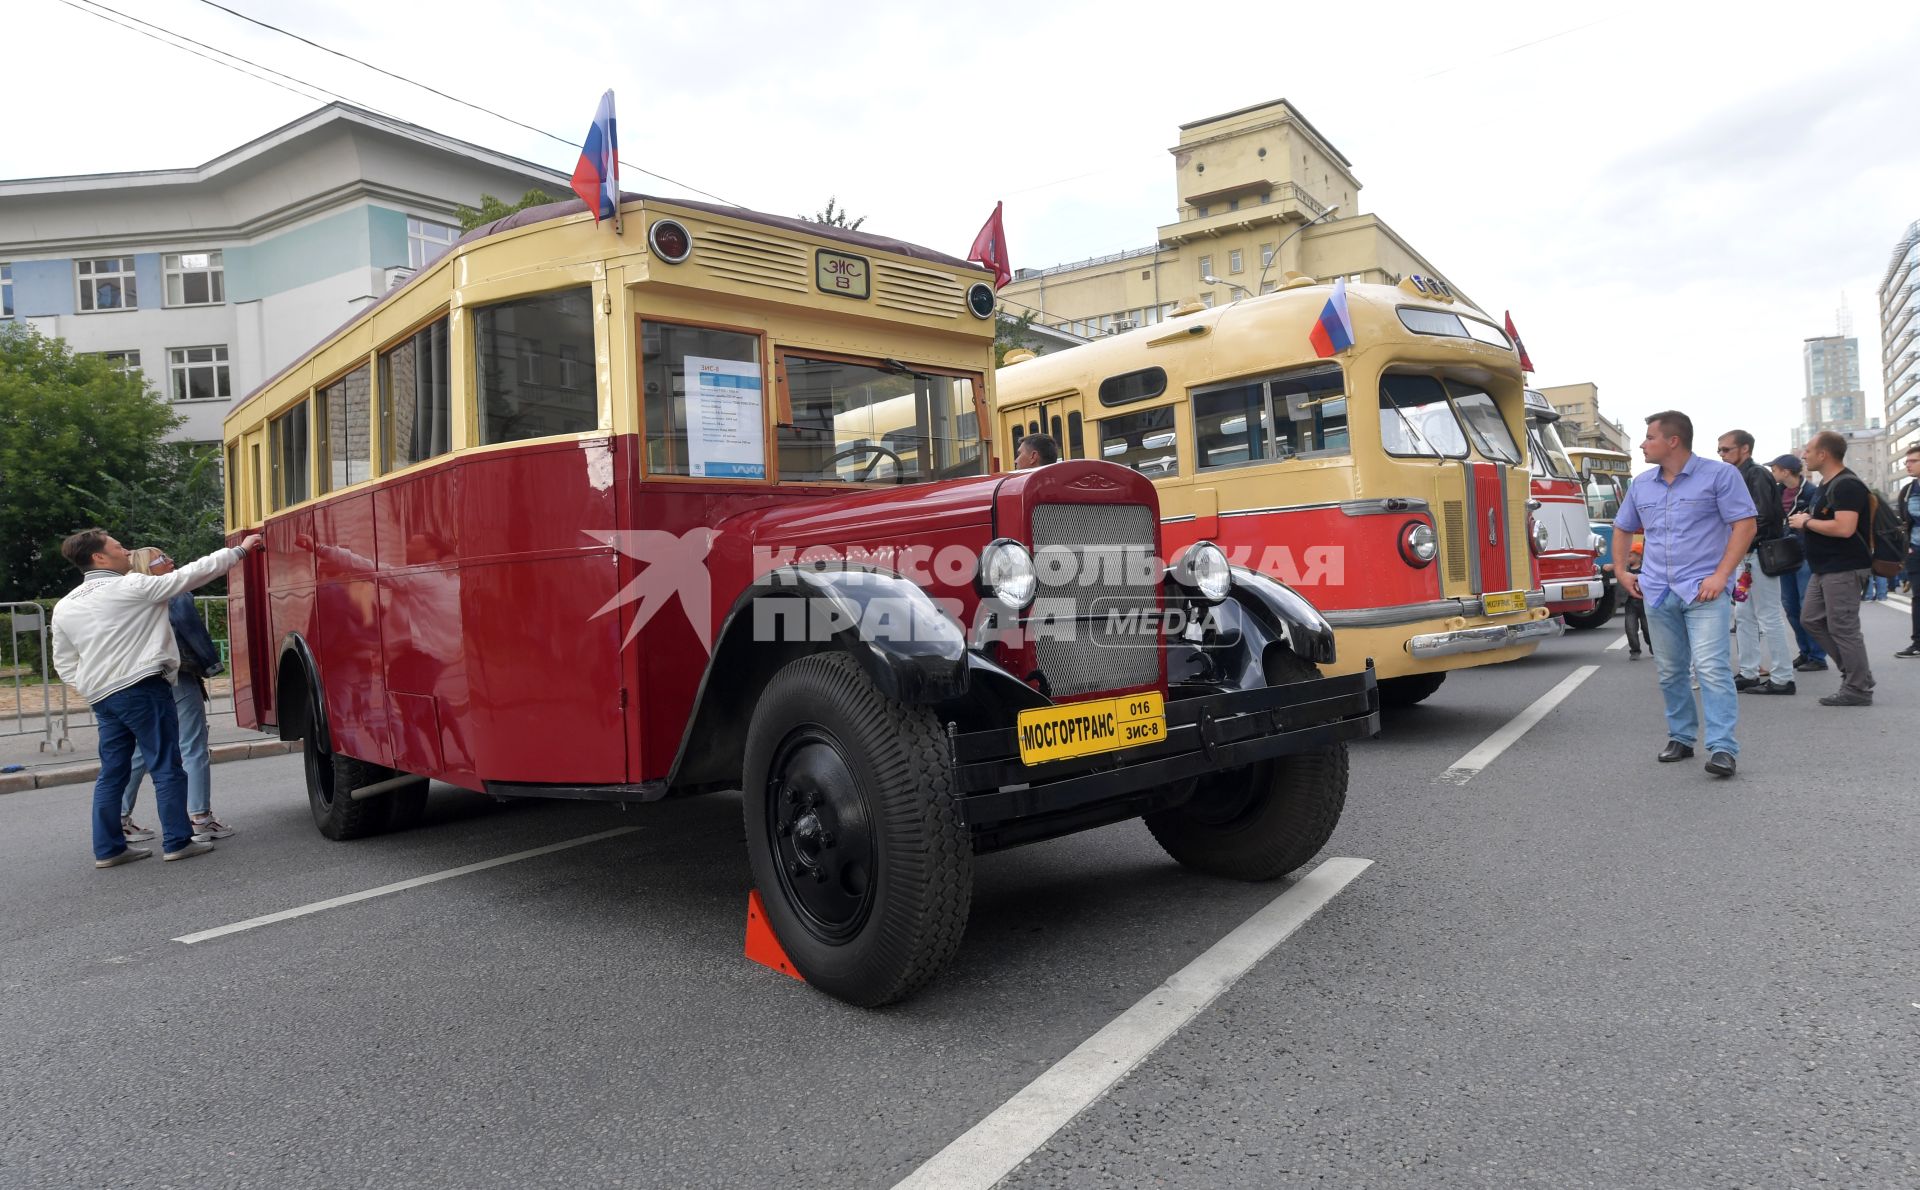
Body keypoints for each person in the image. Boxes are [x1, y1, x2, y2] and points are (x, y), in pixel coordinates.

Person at [50, 528, 262, 867]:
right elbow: (190, 575)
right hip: (142, 686)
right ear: (99, 557)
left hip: (103, 697)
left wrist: (89, 686)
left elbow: (63, 661)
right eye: (118, 547)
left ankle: (108, 849)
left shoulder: (65, 605)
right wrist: (241, 551)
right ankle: (178, 841)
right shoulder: (131, 585)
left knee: (113, 772)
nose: (127, 551)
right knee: (166, 763)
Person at [1613, 411, 1757, 778]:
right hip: (1658, 590)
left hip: (1703, 591)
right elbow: (1623, 527)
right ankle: (1681, 737)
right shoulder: (1642, 484)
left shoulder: (1720, 475)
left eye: (1649, 437)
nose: (1643, 444)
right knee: (1671, 671)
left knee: (1711, 668)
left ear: (1672, 441)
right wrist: (1621, 571)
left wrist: (1722, 576)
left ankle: (1723, 748)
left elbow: (1745, 524)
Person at [118, 548, 233, 843]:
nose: (171, 562)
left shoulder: (123, 596)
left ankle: (120, 818)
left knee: (142, 750)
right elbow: (191, 632)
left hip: (142, 677)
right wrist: (210, 664)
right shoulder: (173, 593)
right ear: (149, 567)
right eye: (163, 559)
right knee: (193, 744)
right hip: (178, 673)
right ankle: (200, 818)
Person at [1789, 431, 1875, 707]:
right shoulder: (1827, 485)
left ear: (1823, 454)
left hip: (1845, 567)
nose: (1804, 455)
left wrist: (1806, 523)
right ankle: (1856, 674)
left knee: (1844, 628)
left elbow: (1844, 527)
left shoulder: (1847, 485)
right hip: (1824, 567)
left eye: (1809, 450)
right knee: (1811, 619)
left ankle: (1858, 688)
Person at [1717, 431, 1796, 695]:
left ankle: (1783, 678)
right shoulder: (1738, 476)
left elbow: (1762, 517)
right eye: (1720, 451)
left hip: (1758, 555)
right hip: (1747, 557)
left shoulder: (1756, 475)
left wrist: (1738, 545)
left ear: (1745, 450)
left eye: (1727, 450)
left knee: (1768, 616)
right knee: (1743, 615)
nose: (1722, 455)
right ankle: (1749, 672)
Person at [1770, 454, 1828, 672]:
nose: (1772, 473)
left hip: (1805, 554)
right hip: (1783, 555)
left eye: (1774, 469)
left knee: (1807, 606)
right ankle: (1805, 652)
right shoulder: (1777, 492)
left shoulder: (1812, 492)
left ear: (1786, 471)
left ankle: (1817, 656)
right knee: (1790, 606)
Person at [1895, 444, 1920, 659]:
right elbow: (1905, 521)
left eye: (1913, 461)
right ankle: (1918, 643)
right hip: (1916, 549)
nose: (1908, 465)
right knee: (1918, 597)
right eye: (1907, 461)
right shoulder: (1909, 490)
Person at [1621, 541, 1652, 658]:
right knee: (1630, 628)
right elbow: (1616, 567)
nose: (1627, 558)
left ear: (1639, 555)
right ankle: (1635, 650)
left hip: (1645, 602)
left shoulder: (1647, 568)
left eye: (1630, 555)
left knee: (1648, 628)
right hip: (1630, 603)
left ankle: (1653, 646)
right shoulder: (1625, 569)